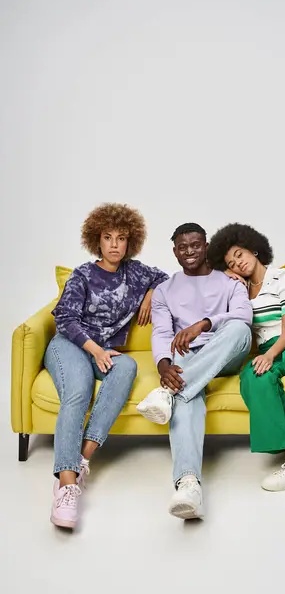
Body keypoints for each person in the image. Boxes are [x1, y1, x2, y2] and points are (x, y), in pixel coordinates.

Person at [45, 203, 168, 529]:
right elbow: (65, 318)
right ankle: (66, 485)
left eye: (121, 238)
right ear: (96, 240)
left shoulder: (136, 272)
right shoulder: (83, 275)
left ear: (131, 242)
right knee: (79, 390)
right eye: (107, 237)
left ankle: (83, 458)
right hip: (70, 345)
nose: (114, 244)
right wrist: (95, 349)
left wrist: (151, 293)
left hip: (106, 352)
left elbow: (165, 278)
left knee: (126, 366)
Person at [137, 223, 252, 520]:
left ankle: (168, 393)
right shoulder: (164, 290)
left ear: (205, 246)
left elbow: (243, 316)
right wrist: (164, 366)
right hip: (188, 360)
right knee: (188, 395)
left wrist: (203, 324)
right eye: (183, 247)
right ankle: (189, 485)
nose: (190, 252)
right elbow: (162, 333)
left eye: (196, 245)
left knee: (239, 328)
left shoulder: (229, 282)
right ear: (175, 252)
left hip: (226, 351)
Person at [207, 223, 285, 492]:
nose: (237, 263)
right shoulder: (237, 290)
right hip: (269, 347)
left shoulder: (280, 277)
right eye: (230, 262)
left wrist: (272, 354)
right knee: (252, 376)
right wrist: (225, 277)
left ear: (254, 249)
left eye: (239, 255)